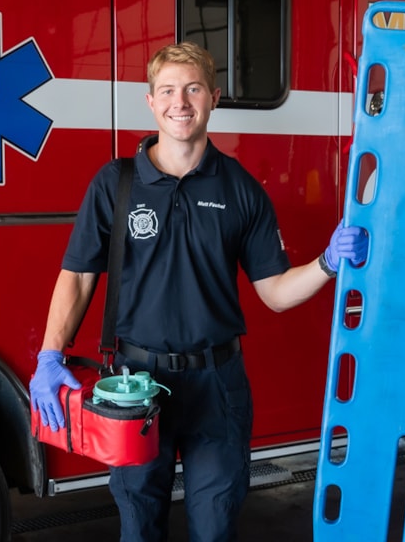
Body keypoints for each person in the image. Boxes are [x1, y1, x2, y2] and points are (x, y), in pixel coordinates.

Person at [29, 41, 368, 542]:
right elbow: (78, 276)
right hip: (135, 385)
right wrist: (49, 355)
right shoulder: (116, 184)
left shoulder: (240, 189)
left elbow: (274, 291)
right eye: (167, 90)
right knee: (139, 526)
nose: (179, 102)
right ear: (150, 102)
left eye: (192, 89)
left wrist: (327, 263)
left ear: (213, 97)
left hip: (218, 387)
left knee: (215, 528)